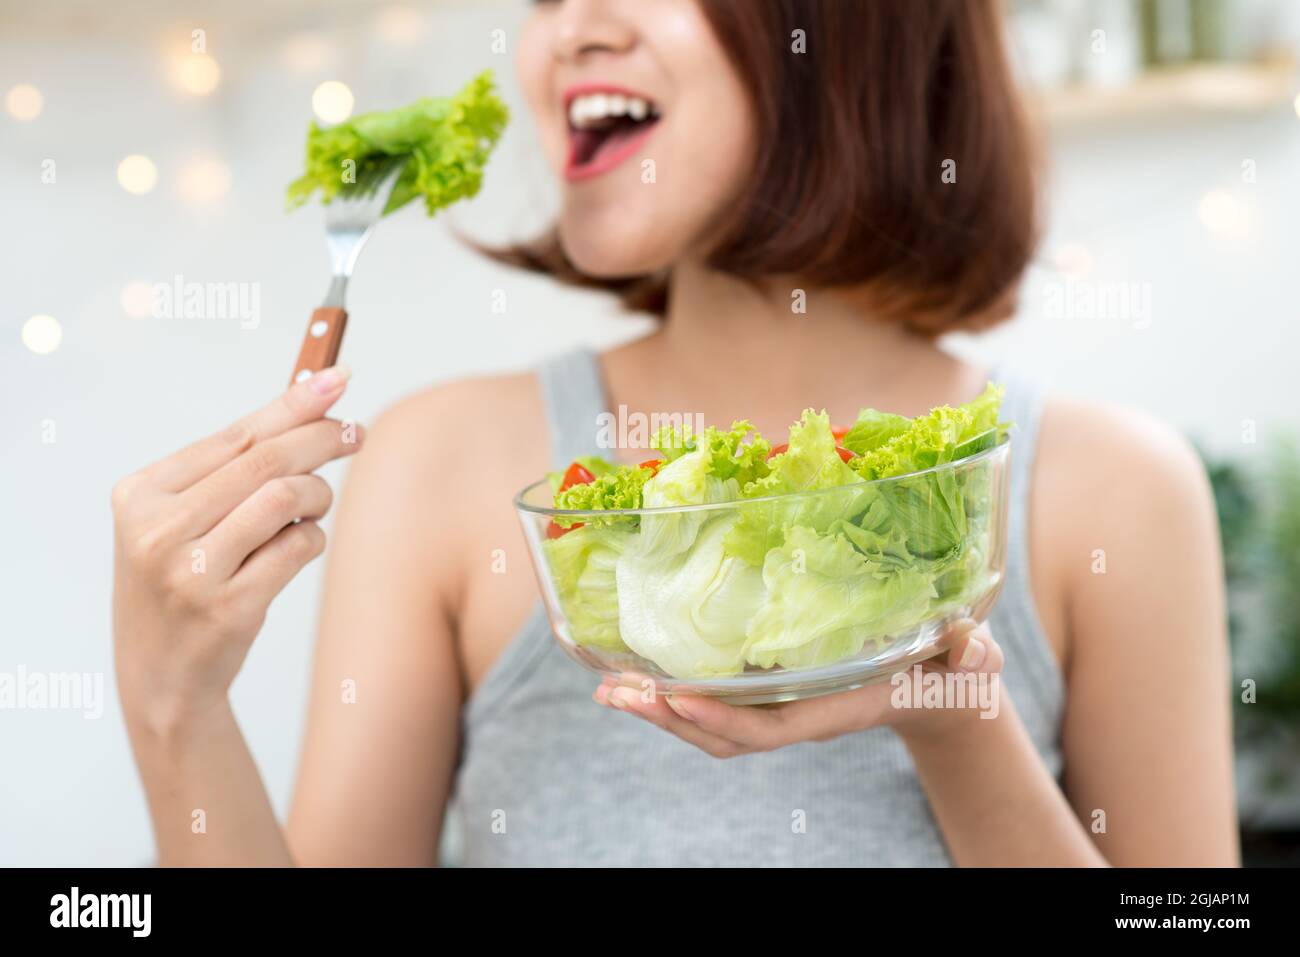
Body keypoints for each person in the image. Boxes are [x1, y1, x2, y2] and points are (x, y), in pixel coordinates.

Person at [111, 0, 1237, 866]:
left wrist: (949, 711)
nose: (569, 32)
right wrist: (176, 705)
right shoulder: (438, 467)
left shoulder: (1109, 493)